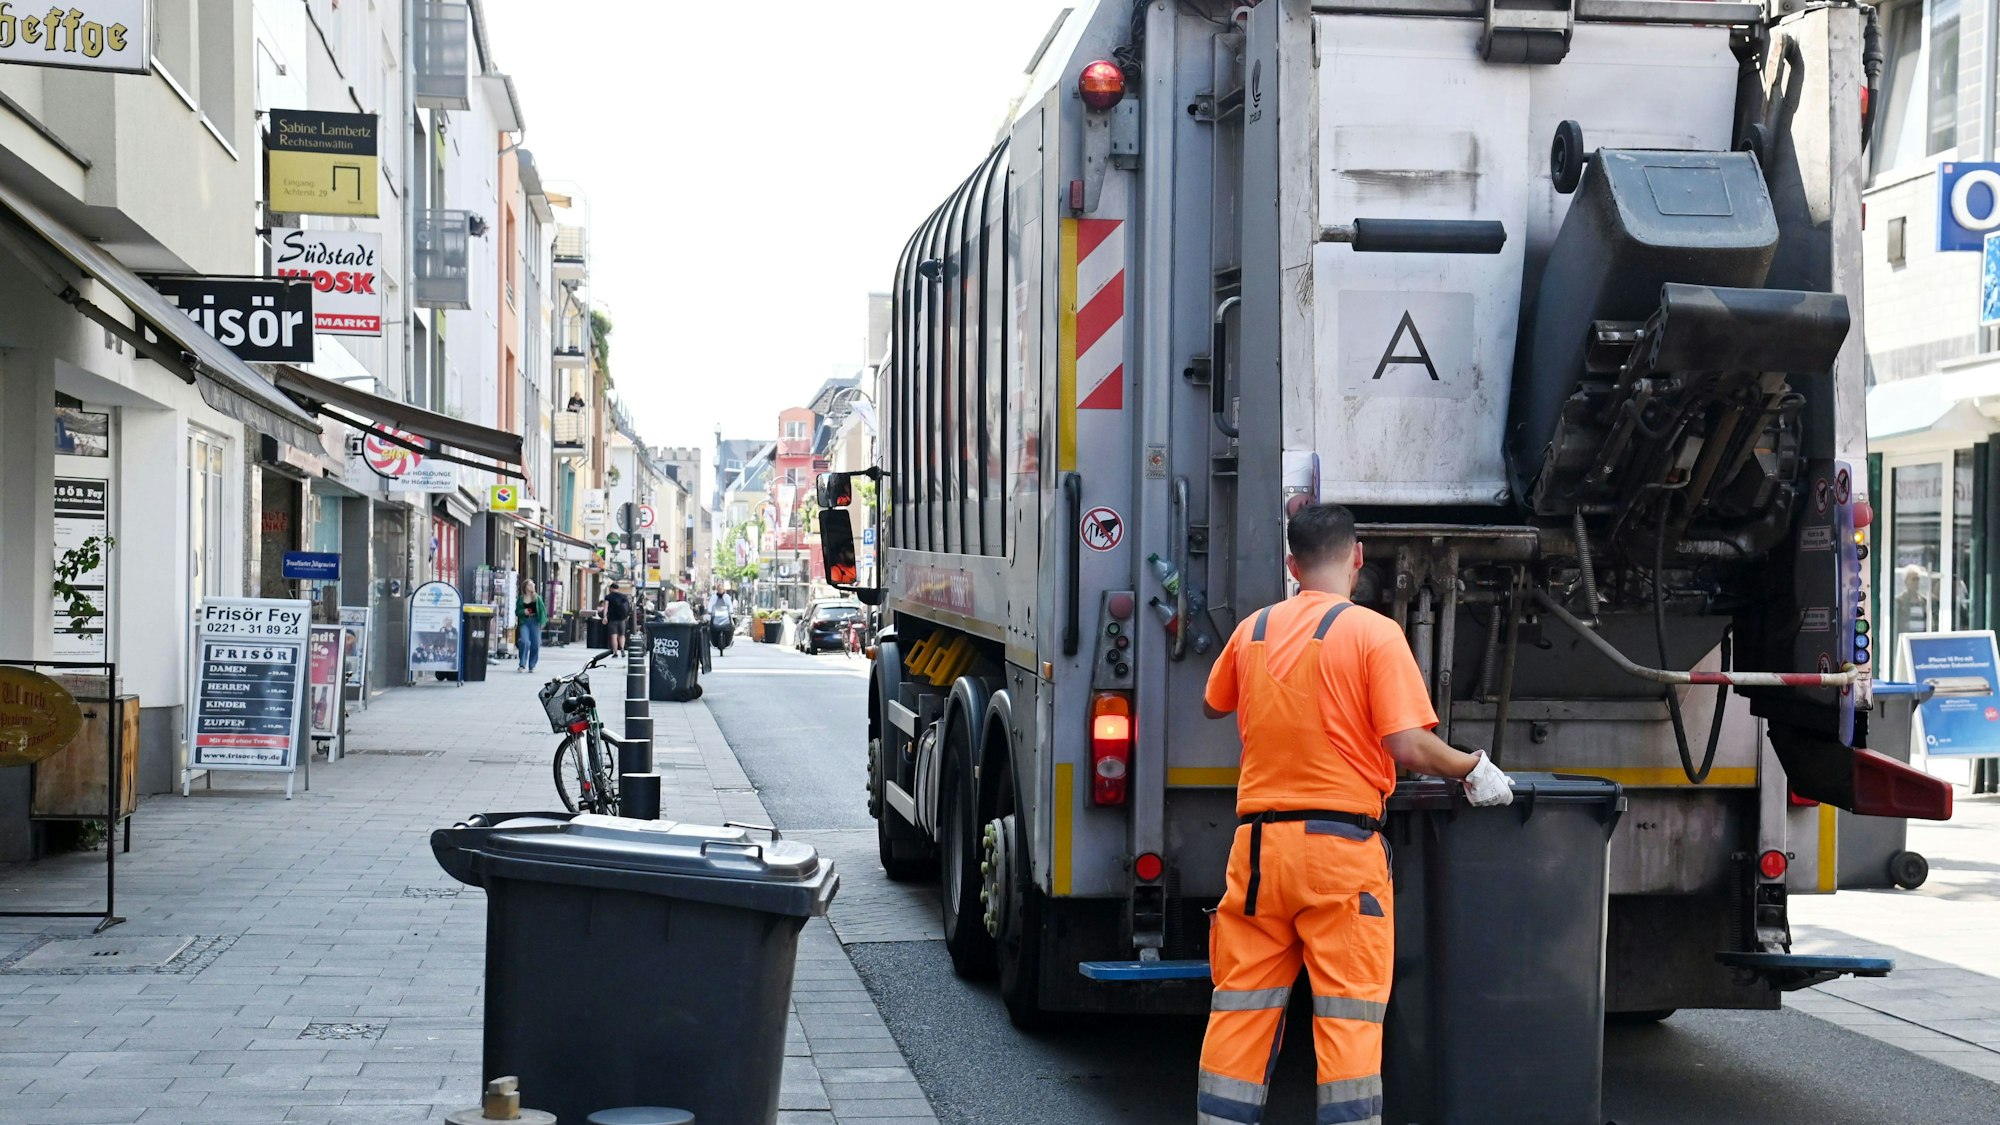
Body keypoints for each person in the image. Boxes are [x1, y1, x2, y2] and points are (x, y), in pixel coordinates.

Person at [1196, 503, 1512, 1125]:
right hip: (1340, 854)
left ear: (1292, 566)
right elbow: (1407, 746)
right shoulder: (1373, 634)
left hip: (1257, 852)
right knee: (1348, 1019)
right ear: (1358, 557)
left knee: (1240, 1010)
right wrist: (1472, 767)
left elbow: (1214, 704)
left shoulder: (1253, 630)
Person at [516, 578, 546, 673]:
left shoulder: (537, 598)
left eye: (533, 584)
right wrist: (523, 611)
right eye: (530, 584)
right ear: (525, 587)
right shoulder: (521, 599)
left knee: (535, 644)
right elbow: (517, 611)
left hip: (535, 622)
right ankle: (522, 663)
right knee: (524, 641)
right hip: (525, 622)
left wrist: (542, 622)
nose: (532, 586)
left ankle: (532, 665)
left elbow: (543, 611)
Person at [602, 583, 632, 652]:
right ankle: (622, 648)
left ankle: (615, 651)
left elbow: (606, 607)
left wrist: (605, 617)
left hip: (612, 619)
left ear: (611, 588)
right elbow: (627, 607)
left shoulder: (608, 597)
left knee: (614, 635)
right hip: (622, 619)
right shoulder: (623, 596)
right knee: (622, 635)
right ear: (618, 588)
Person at [708, 588, 735, 656]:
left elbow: (729, 605)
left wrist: (731, 612)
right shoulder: (714, 597)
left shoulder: (726, 597)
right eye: (719, 589)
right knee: (709, 625)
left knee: (732, 625)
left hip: (725, 615)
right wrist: (710, 611)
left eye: (721, 589)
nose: (720, 591)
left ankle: (729, 639)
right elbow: (711, 604)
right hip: (716, 616)